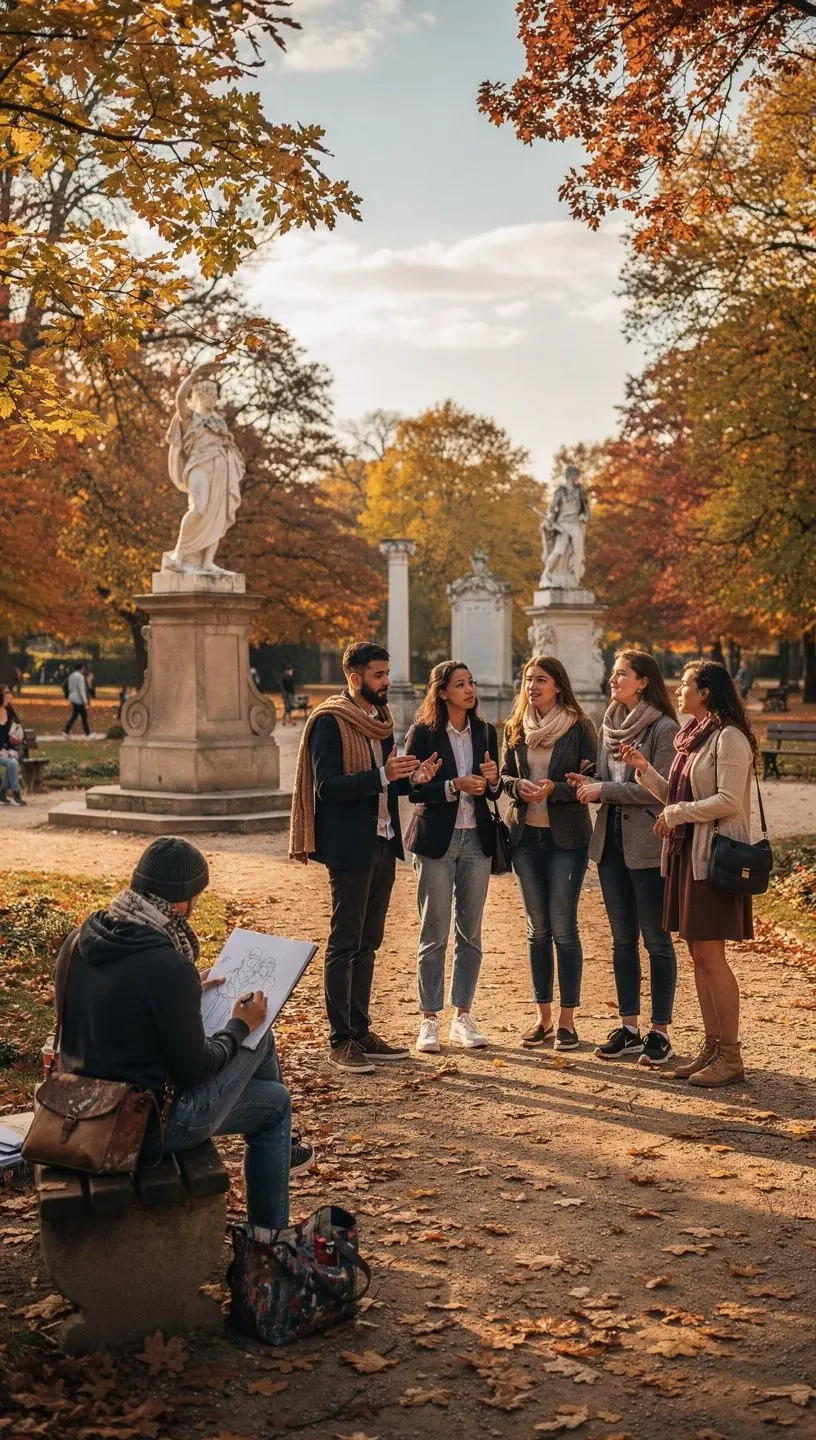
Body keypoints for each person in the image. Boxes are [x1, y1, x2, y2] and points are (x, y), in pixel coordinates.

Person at [58, 838, 310, 1229]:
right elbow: (195, 1069)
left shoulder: (81, 939)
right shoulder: (166, 965)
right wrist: (239, 1025)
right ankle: (268, 1237)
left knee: (267, 1071)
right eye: (196, 896)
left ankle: (281, 1158)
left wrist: (189, 988)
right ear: (182, 902)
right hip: (141, 1131)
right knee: (272, 1092)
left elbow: (123, 1005)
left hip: (77, 1106)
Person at [289, 641, 440, 1073]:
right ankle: (341, 1039)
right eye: (378, 674)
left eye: (387, 673)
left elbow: (388, 786)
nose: (387, 681)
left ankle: (361, 1029)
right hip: (349, 845)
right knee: (345, 940)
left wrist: (413, 779)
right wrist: (380, 775)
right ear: (355, 678)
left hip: (383, 840)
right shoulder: (330, 722)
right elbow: (328, 787)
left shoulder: (381, 721)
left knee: (369, 942)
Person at [625, 660, 756, 1088]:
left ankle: (731, 1056)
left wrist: (677, 812)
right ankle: (713, 1046)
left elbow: (728, 801)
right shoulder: (694, 739)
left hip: (712, 860)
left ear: (707, 693)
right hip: (688, 857)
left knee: (711, 958)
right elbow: (677, 796)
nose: (678, 691)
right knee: (700, 957)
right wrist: (646, 771)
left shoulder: (730, 738)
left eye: (685, 686)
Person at [574, 650, 679, 1067]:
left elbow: (661, 790)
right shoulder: (610, 723)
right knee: (621, 939)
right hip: (611, 842)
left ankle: (661, 1032)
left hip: (648, 842)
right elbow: (608, 781)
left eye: (621, 674)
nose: (613, 679)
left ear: (643, 681)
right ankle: (630, 1028)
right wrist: (590, 783)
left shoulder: (664, 727)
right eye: (613, 673)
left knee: (656, 939)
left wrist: (605, 792)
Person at [501, 656, 597, 1052]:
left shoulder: (580, 728)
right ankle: (542, 1018)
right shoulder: (515, 728)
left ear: (558, 685)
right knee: (537, 930)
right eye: (527, 679)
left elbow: (591, 781)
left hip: (567, 841)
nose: (532, 686)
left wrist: (553, 789)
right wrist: (517, 787)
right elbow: (503, 776)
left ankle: (568, 1021)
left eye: (540, 679)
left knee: (563, 928)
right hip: (525, 839)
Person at [404, 662, 500, 1053]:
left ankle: (462, 1015)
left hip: (476, 840)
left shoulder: (486, 730)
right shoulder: (423, 733)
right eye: (460, 684)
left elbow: (493, 790)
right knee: (434, 931)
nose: (469, 689)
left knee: (470, 932)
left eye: (471, 682)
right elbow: (411, 789)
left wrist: (492, 780)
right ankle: (429, 1018)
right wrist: (450, 785)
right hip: (436, 842)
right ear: (441, 692)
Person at [0, 684, 26, 806]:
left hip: (3, 749)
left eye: (10, 692)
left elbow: (7, 735)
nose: (10, 695)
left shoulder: (9, 711)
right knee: (12, 763)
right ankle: (16, 795)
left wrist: (11, 746)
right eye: (6, 692)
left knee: (13, 758)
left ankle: (2, 793)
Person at [63, 663, 91, 737]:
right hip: (79, 699)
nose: (84, 670)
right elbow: (81, 690)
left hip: (72, 697)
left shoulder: (71, 676)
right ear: (81, 668)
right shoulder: (80, 677)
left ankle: (66, 731)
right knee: (84, 716)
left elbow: (69, 687)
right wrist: (85, 702)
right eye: (83, 668)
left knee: (74, 715)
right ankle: (88, 733)